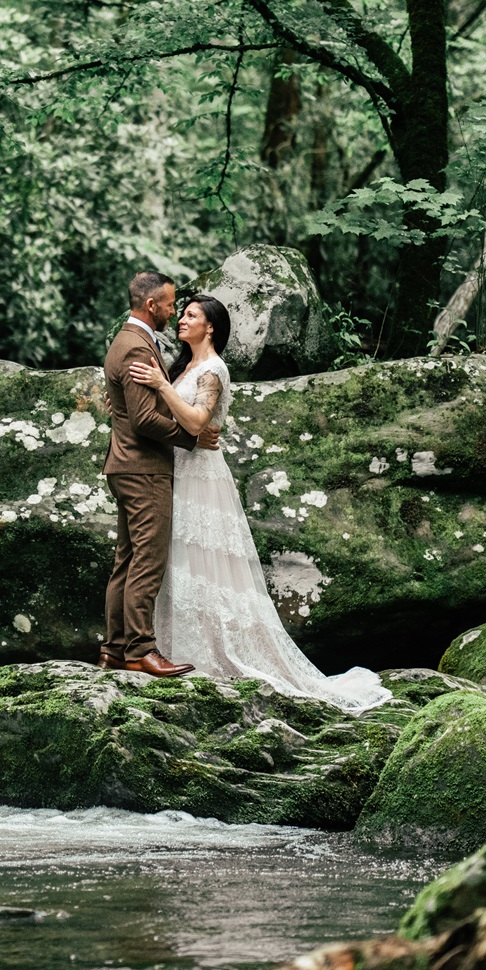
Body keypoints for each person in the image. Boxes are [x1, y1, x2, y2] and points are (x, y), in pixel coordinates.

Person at [126, 294, 390, 712]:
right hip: (174, 470)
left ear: (211, 326)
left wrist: (160, 385)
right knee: (176, 560)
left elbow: (196, 421)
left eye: (191, 315)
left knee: (205, 563)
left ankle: (213, 654)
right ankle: (174, 648)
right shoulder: (183, 366)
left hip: (201, 477)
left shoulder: (214, 370)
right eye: (182, 313)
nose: (182, 320)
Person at [100, 273, 218, 677]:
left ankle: (113, 651)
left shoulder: (129, 340)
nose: (173, 311)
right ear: (151, 305)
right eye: (169, 304)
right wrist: (191, 438)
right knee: (147, 563)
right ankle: (139, 650)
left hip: (127, 465)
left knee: (127, 561)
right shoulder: (135, 345)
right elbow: (145, 420)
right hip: (143, 468)